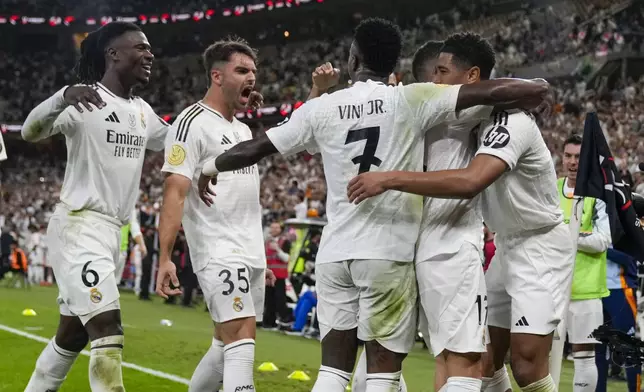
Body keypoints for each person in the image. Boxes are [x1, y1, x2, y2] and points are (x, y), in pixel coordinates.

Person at [197, 18, 550, 392]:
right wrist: (537, 87)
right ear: (395, 64)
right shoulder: (413, 98)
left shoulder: (323, 107)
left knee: (333, 371)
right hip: (389, 253)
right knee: (384, 374)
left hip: (335, 254)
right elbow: (497, 91)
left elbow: (255, 147)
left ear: (352, 60)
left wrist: (208, 167)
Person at [347, 42, 574, 392]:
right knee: (483, 361)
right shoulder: (470, 113)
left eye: (441, 72)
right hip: (506, 244)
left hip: (540, 244)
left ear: (471, 77)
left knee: (526, 364)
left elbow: (470, 181)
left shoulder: (510, 120)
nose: (434, 81)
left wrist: (388, 179)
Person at [21, 21, 168, 392]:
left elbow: (177, 140)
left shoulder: (141, 112)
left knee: (70, 338)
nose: (149, 54)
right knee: (107, 331)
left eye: (149, 48)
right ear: (113, 54)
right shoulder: (85, 100)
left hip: (110, 235)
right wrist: (63, 96)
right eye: (140, 47)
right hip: (78, 227)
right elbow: (29, 132)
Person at [155, 37, 274, 392]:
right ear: (217, 76)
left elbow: (243, 197)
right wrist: (164, 258)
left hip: (249, 251)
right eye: (241, 70)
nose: (251, 77)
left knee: (224, 345)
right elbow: (175, 191)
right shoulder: (190, 123)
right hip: (218, 250)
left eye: (253, 71)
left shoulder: (241, 129)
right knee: (241, 338)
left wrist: (260, 256)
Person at [558, 134, 611, 392]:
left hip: (586, 290)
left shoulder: (597, 195)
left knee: (584, 356)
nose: (572, 162)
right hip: (552, 288)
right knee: (543, 352)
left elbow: (603, 240)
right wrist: (579, 234)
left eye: (578, 157)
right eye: (568, 155)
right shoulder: (551, 189)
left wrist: (566, 234)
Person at [596, 247, 641, 392]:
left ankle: (635, 389)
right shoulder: (594, 223)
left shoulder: (630, 225)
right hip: (595, 289)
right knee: (598, 348)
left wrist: (598, 246)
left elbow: (630, 257)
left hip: (620, 289)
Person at [264, 221, 293, 329]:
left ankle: (285, 321)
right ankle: (269, 322)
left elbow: (286, 258)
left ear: (280, 229)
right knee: (269, 300)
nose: (274, 230)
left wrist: (277, 249)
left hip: (280, 276)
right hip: (268, 275)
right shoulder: (266, 242)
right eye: (273, 227)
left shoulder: (285, 242)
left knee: (280, 299)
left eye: (277, 228)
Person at [116, 206, 147, 285]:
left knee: (112, 284)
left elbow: (134, 227)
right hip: (106, 248)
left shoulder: (130, 206)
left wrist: (142, 245)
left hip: (120, 251)